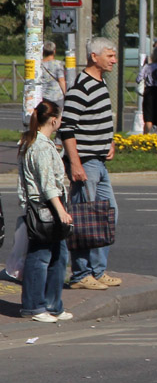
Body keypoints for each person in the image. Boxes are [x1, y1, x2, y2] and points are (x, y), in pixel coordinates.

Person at [61, 36, 121, 291]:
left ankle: (97, 270)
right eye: (110, 55)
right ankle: (81, 274)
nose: (114, 60)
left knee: (108, 214)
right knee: (85, 219)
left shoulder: (101, 83)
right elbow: (67, 129)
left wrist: (110, 142)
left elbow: (99, 119)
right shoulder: (81, 88)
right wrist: (75, 164)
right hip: (86, 164)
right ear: (94, 57)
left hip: (99, 161)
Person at [18, 100, 74, 322]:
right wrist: (60, 210)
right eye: (60, 118)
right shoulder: (40, 147)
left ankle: (53, 304)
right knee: (40, 257)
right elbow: (47, 184)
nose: (61, 121)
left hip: (50, 206)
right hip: (44, 208)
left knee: (59, 257)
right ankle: (33, 306)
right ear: (54, 120)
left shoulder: (44, 143)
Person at [39, 41, 68, 108]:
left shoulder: (40, 64)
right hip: (56, 96)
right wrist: (65, 94)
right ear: (54, 51)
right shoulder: (58, 64)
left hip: (43, 95)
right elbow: (61, 81)